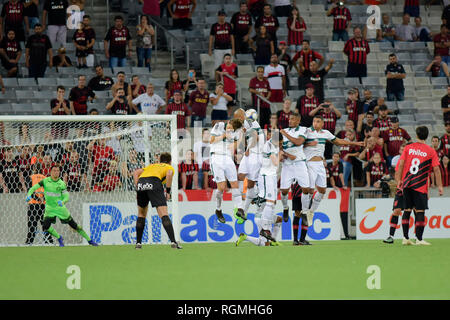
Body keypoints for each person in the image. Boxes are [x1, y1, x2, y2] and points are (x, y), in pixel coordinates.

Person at [303, 115, 364, 225]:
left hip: (320, 164)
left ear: (322, 123)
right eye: (314, 121)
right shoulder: (307, 131)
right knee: (310, 190)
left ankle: (311, 212)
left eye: (318, 121)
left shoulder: (325, 133)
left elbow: (339, 141)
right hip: (309, 163)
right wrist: (308, 143)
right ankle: (305, 211)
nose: (315, 123)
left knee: (322, 191)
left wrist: (355, 143)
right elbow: (298, 144)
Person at [26, 165, 98, 247]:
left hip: (60, 209)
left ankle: (89, 240)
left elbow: (66, 196)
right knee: (45, 226)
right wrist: (29, 195)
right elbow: (33, 188)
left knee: (74, 226)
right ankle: (59, 237)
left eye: (57, 171)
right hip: (49, 209)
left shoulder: (62, 184)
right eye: (54, 170)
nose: (56, 172)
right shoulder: (45, 181)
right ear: (50, 172)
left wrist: (63, 202)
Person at [395, 126, 443, 245]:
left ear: (416, 135)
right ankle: (419, 239)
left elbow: (400, 164)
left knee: (407, 210)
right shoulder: (430, 151)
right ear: (427, 136)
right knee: (420, 212)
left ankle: (405, 238)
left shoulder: (408, 147)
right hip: (420, 185)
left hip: (407, 183)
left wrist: (399, 180)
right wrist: (440, 186)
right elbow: (436, 170)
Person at [132, 152, 182, 249]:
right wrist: (167, 191)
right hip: (154, 182)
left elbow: (136, 173)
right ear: (170, 162)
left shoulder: (152, 165)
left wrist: (137, 187)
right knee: (164, 214)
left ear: (159, 160)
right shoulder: (169, 167)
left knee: (141, 214)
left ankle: (138, 243)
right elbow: (169, 174)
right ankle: (173, 242)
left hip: (142, 183)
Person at [249, 131, 283, 245]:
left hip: (271, 176)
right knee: (269, 202)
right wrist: (281, 156)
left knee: (271, 203)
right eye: (280, 143)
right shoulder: (270, 146)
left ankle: (266, 231)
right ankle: (265, 229)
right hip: (266, 176)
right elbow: (275, 162)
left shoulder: (271, 145)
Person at [209, 119, 246, 223]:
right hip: (216, 157)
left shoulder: (237, 132)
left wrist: (241, 136)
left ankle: (240, 208)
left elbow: (233, 147)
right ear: (228, 122)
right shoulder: (219, 125)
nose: (230, 129)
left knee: (235, 183)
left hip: (228, 158)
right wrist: (224, 135)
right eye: (229, 127)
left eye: (232, 129)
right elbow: (211, 140)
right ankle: (218, 209)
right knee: (221, 187)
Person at [278, 112, 310, 222]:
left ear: (298, 121)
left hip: (300, 163)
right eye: (289, 119)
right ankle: (285, 208)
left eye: (292, 119)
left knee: (306, 189)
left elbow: (298, 142)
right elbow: (275, 146)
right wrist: (282, 154)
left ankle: (305, 212)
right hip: (287, 165)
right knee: (284, 191)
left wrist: (284, 134)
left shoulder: (304, 129)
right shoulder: (283, 131)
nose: (289, 121)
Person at [234, 108, 264, 217]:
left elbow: (255, 136)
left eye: (237, 116)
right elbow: (242, 140)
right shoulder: (242, 126)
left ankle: (245, 208)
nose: (236, 119)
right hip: (249, 154)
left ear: (242, 116)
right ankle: (241, 208)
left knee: (251, 184)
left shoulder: (251, 122)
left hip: (256, 154)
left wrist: (249, 149)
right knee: (240, 176)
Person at [26, 166, 53, 245]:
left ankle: (29, 242)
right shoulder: (46, 178)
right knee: (45, 225)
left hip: (33, 205)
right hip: (44, 205)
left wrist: (38, 199)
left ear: (33, 169)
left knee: (32, 225)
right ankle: (49, 242)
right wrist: (43, 199)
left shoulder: (31, 177)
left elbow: (30, 190)